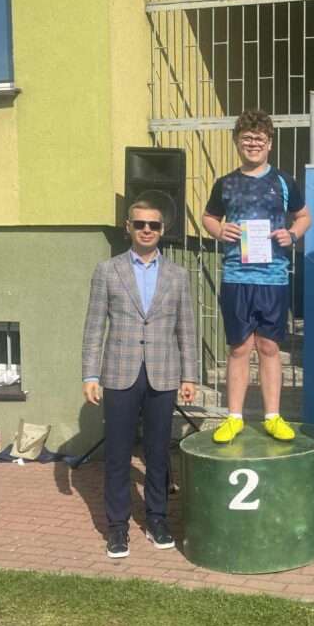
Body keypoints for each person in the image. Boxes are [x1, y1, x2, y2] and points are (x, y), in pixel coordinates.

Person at [82, 197, 198, 558]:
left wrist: (190, 376)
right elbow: (94, 326)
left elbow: (187, 329)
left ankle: (157, 519)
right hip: (120, 372)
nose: (147, 230)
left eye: (154, 225)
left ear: (163, 230)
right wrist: (90, 374)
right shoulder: (107, 270)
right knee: (118, 453)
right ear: (128, 227)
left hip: (163, 374)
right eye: (140, 224)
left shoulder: (178, 275)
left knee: (157, 453)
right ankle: (117, 527)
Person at [201, 109, 312, 444]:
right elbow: (208, 217)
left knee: (268, 347)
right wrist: (219, 231)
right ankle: (234, 417)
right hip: (237, 276)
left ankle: (272, 417)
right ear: (237, 142)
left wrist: (292, 234)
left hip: (273, 277)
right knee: (238, 349)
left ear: (270, 143)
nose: (253, 144)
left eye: (259, 139)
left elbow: (304, 216)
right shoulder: (225, 183)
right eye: (246, 138)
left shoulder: (284, 181)